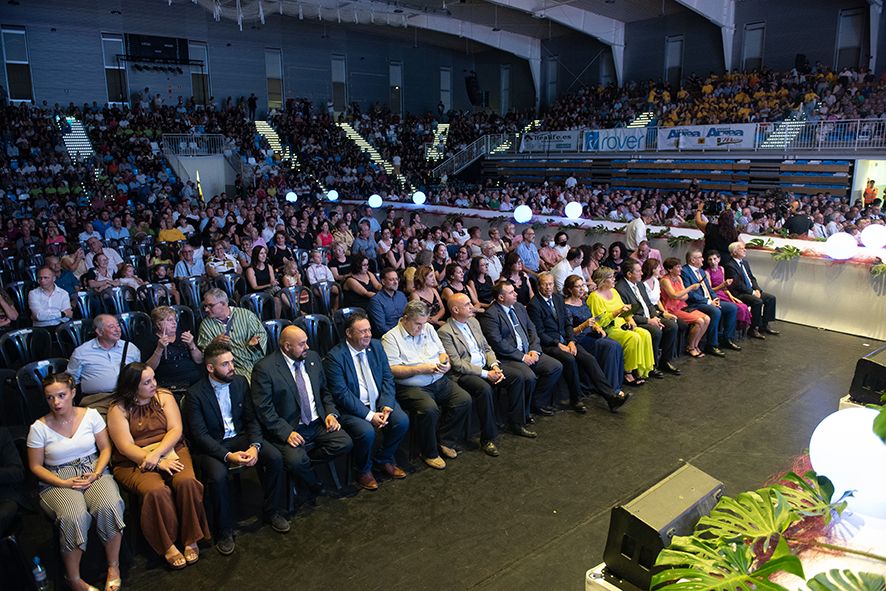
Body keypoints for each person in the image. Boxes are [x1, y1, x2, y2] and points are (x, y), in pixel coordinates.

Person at [186, 341, 288, 556]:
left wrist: (255, 446)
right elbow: (200, 435)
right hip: (214, 444)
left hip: (240, 437)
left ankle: (273, 511)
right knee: (218, 475)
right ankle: (224, 529)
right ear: (210, 368)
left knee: (275, 458)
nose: (232, 367)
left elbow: (252, 420)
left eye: (232, 362)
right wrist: (227, 455)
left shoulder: (240, 382)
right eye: (225, 364)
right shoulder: (195, 394)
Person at [107, 363, 210, 569]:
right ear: (132, 387)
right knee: (155, 491)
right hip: (135, 459)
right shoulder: (118, 409)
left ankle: (191, 537)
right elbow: (125, 446)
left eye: (154, 378)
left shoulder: (164, 396)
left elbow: (175, 430)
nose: (154, 384)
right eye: (147, 382)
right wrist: (156, 461)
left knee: (186, 481)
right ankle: (167, 544)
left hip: (169, 448)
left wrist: (158, 454)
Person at [26, 374, 124, 591]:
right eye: (50, 398)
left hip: (92, 468)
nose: (56, 402)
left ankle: (113, 566)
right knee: (74, 515)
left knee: (109, 505)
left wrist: (97, 472)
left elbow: (106, 448)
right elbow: (35, 467)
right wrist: (64, 483)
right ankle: (74, 578)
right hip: (57, 475)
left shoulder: (90, 416)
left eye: (61, 395)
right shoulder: (38, 428)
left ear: (72, 392)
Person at [250, 326, 353, 497]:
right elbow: (264, 409)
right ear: (287, 347)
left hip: (317, 422)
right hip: (290, 427)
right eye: (302, 344)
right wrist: (286, 433)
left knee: (344, 442)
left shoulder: (312, 357)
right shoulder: (265, 369)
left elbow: (324, 392)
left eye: (306, 342)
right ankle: (313, 483)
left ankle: (305, 466)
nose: (307, 347)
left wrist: (330, 413)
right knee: (296, 461)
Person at [381, 300, 472, 470]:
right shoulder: (391, 338)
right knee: (429, 409)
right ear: (405, 318)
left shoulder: (428, 328)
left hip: (438, 379)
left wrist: (445, 363)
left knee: (464, 399)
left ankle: (445, 440)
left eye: (424, 323)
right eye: (417, 324)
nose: (421, 328)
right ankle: (429, 452)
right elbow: (392, 370)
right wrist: (421, 369)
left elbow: (442, 352)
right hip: (410, 386)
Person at [325, 312, 409, 490]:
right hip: (354, 408)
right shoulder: (335, 357)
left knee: (401, 421)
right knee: (366, 432)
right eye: (362, 332)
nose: (368, 335)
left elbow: (387, 378)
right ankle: (363, 470)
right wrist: (370, 416)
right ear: (349, 333)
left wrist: (386, 404)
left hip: (379, 401)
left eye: (369, 330)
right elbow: (341, 394)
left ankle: (384, 458)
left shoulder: (377, 347)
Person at [528, 273, 628, 413]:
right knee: (570, 360)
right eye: (545, 284)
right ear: (539, 286)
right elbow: (539, 332)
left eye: (551, 284)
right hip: (549, 344)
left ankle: (611, 396)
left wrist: (571, 342)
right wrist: (559, 344)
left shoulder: (557, 299)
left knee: (589, 359)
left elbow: (568, 324)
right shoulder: (534, 305)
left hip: (566, 340)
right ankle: (576, 399)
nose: (548, 287)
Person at [438, 294, 513, 456]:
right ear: (456, 310)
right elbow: (458, 364)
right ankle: (488, 438)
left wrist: (494, 365)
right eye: (467, 304)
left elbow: (487, 348)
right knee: (484, 388)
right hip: (464, 374)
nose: (472, 306)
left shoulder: (474, 322)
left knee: (518, 377)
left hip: (486, 366)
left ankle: (517, 421)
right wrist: (487, 374)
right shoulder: (445, 332)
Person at [479, 280, 563, 417]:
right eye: (511, 292)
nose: (516, 294)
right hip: (509, 357)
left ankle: (537, 402)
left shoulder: (518, 307)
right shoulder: (491, 315)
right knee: (528, 377)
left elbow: (532, 330)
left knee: (555, 367)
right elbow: (497, 343)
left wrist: (534, 349)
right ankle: (523, 413)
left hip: (529, 351)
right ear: (501, 297)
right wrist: (522, 357)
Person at [587, 267, 655, 385]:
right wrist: (617, 312)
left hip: (622, 324)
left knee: (645, 334)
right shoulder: (594, 297)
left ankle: (640, 369)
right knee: (633, 337)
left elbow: (625, 309)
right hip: (609, 328)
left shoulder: (614, 292)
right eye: (611, 278)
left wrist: (630, 319)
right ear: (603, 280)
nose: (614, 280)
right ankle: (627, 372)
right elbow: (599, 320)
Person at [67, 314, 142, 416]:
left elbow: (140, 373)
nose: (117, 330)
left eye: (118, 326)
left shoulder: (130, 348)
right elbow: (70, 381)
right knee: (102, 425)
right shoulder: (81, 352)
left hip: (128, 396)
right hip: (98, 400)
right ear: (99, 332)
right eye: (112, 327)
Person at [616, 261, 680, 376]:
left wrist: (655, 316)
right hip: (636, 320)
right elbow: (627, 314)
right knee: (655, 332)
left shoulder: (639, 284)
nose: (642, 273)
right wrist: (648, 321)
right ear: (629, 274)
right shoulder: (620, 289)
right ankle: (652, 366)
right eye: (638, 271)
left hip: (649, 315)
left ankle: (665, 360)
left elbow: (649, 304)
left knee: (672, 326)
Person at [562, 275, 626, 390]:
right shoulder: (566, 307)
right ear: (570, 289)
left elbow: (592, 319)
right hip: (580, 339)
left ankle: (617, 384)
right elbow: (569, 332)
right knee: (610, 347)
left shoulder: (583, 302)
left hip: (591, 334)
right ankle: (612, 389)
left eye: (583, 285)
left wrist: (597, 327)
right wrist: (584, 325)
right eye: (578, 287)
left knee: (616, 345)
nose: (582, 289)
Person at [197, 289, 267, 380]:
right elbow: (205, 354)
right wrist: (214, 344)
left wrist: (257, 341)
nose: (206, 309)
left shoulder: (245, 315)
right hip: (233, 368)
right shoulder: (206, 325)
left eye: (210, 305)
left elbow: (261, 333)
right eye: (205, 306)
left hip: (256, 363)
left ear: (223, 304)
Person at [681, 249, 740, 356]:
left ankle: (727, 338)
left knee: (732, 308)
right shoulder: (685, 272)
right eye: (700, 257)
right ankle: (712, 344)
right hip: (695, 303)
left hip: (708, 300)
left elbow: (708, 288)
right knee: (715, 311)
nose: (703, 259)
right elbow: (690, 294)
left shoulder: (701, 271)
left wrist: (715, 298)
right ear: (692, 260)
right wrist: (708, 302)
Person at [725, 241, 780, 339]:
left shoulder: (745, 263)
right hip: (739, 293)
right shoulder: (730, 265)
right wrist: (752, 292)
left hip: (751, 290)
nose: (744, 250)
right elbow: (737, 284)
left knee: (771, 298)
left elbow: (752, 278)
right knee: (757, 301)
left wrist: (757, 289)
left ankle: (764, 325)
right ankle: (753, 328)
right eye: (741, 248)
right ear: (734, 252)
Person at [659, 257, 710, 358]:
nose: (680, 269)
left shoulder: (679, 278)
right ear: (670, 269)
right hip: (671, 309)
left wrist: (681, 294)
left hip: (682, 306)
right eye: (677, 267)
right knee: (699, 321)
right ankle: (690, 346)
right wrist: (690, 288)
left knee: (707, 319)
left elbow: (684, 296)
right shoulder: (665, 280)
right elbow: (674, 295)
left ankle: (696, 344)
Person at [145, 306, 204, 392]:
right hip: (168, 384)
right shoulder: (151, 340)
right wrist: (159, 349)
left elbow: (199, 360)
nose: (174, 323)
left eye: (175, 319)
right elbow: (149, 368)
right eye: (169, 320)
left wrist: (192, 344)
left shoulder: (183, 335)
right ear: (158, 324)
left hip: (194, 380)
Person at [704, 250, 752, 332]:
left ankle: (735, 329)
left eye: (715, 259)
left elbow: (725, 288)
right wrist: (722, 285)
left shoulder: (721, 269)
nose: (713, 262)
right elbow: (710, 290)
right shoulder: (707, 272)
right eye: (710, 259)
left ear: (719, 259)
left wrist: (733, 297)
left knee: (742, 305)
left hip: (724, 293)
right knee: (738, 307)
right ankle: (729, 331)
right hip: (715, 294)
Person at [244, 245, 284, 318]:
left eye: (265, 253)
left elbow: (272, 281)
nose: (264, 255)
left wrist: (273, 283)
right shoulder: (250, 270)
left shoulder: (269, 267)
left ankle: (276, 322)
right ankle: (294, 307)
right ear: (256, 255)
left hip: (269, 290)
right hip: (257, 293)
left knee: (278, 298)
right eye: (261, 253)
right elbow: (254, 287)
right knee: (280, 293)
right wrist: (269, 285)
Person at [367, 267, 408, 337]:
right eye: (391, 280)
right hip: (390, 336)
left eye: (396, 279)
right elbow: (382, 327)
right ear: (383, 282)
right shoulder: (376, 301)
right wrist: (399, 335)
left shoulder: (401, 295)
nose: (395, 282)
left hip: (406, 332)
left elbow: (409, 315)